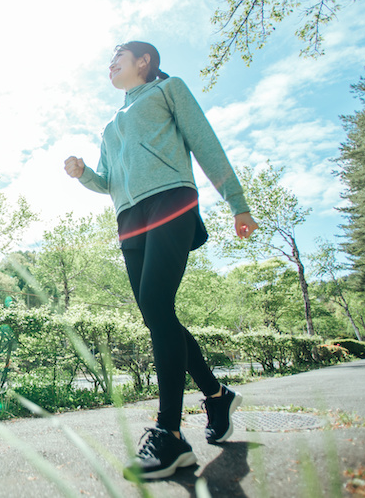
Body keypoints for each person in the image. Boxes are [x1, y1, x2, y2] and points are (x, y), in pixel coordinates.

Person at [63, 41, 258, 481]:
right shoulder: (110, 126)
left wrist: (237, 203)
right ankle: (215, 393)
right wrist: (84, 175)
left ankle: (169, 434)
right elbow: (108, 181)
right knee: (157, 313)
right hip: (129, 218)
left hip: (170, 200)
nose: (109, 65)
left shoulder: (168, 91)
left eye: (117, 58)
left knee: (155, 305)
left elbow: (204, 141)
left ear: (144, 62)